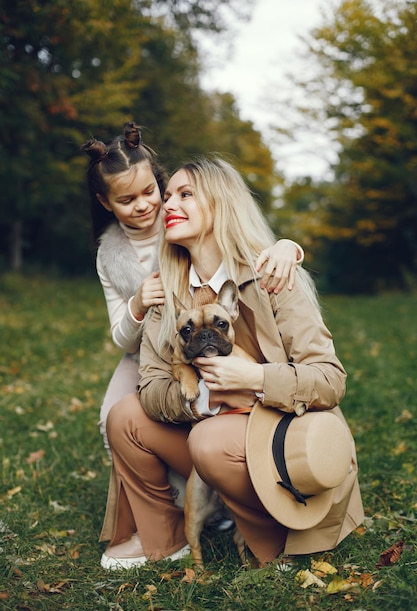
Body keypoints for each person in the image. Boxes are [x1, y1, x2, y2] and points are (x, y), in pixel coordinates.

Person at [100, 156, 364, 570]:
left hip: (278, 437)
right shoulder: (164, 290)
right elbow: (151, 385)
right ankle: (166, 536)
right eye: (168, 196)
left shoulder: (273, 273)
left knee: (211, 441)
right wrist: (202, 398)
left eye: (186, 195)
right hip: (208, 428)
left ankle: (274, 542)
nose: (168, 205)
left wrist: (255, 378)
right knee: (124, 416)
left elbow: (329, 379)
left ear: (221, 204)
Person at [81, 122, 304, 455]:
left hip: (197, 327)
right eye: (127, 200)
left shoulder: (178, 221)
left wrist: (288, 246)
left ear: (160, 186)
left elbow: (232, 238)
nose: (143, 206)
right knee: (112, 418)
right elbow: (122, 338)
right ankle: (162, 483)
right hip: (146, 346)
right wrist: (137, 305)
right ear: (105, 201)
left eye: (150, 192)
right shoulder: (108, 256)